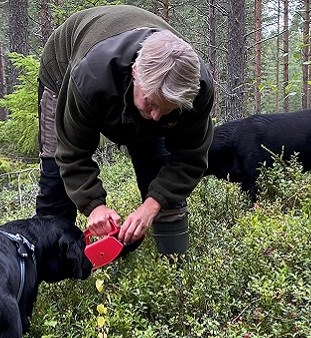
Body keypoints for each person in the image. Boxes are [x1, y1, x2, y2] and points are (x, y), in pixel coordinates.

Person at [35, 4, 214, 256]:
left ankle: (173, 261)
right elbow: (72, 154)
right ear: (135, 73)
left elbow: (190, 158)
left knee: (160, 169)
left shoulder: (196, 88)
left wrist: (151, 206)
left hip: (124, 75)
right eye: (151, 103)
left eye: (167, 109)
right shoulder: (89, 76)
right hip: (64, 65)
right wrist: (94, 205)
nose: (155, 116)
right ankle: (52, 266)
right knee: (56, 178)